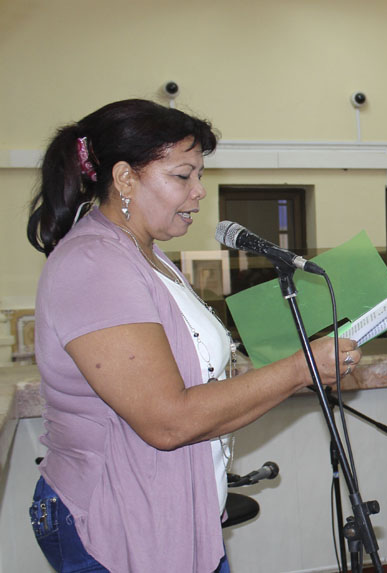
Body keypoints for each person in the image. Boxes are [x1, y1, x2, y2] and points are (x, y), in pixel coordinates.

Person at [26, 99, 362, 573]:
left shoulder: (150, 255)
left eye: (199, 175)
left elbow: (190, 370)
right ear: (125, 178)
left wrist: (279, 369)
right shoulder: (95, 263)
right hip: (116, 520)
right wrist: (299, 370)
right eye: (182, 176)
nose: (199, 192)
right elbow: (167, 421)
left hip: (179, 508)